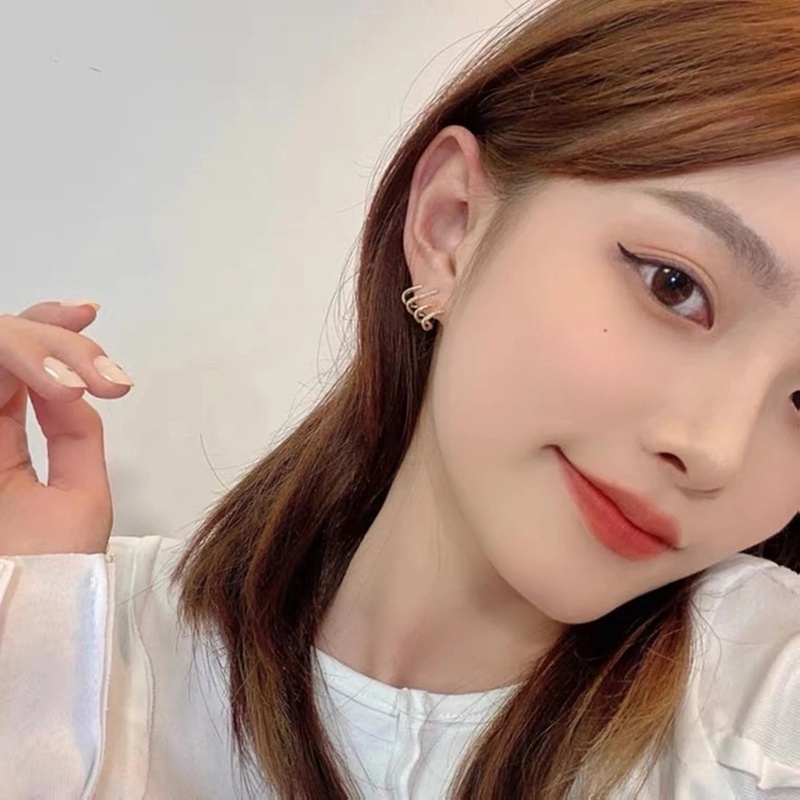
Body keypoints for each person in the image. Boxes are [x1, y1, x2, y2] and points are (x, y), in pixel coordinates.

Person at [3, 0, 800, 797]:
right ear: (451, 226)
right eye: (674, 286)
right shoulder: (82, 635)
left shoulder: (761, 714)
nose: (715, 451)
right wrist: (30, 633)